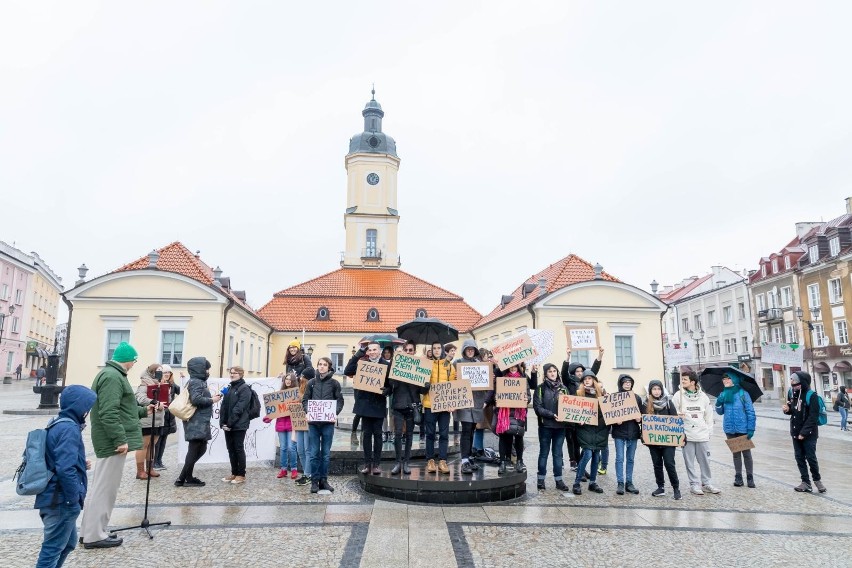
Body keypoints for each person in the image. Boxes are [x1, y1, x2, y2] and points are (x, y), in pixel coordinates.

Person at [80, 341, 153, 549]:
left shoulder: (111, 375)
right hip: (111, 442)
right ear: (128, 360)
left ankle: (89, 531)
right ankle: (95, 535)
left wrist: (143, 411)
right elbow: (108, 412)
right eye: (133, 361)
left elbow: (122, 409)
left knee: (99, 489)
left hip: (109, 440)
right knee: (105, 490)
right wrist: (120, 439)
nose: (133, 365)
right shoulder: (112, 377)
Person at [35, 385, 97, 568]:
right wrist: (74, 498)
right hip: (60, 499)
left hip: (56, 497)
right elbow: (64, 469)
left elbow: (57, 458)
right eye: (87, 406)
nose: (88, 411)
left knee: (68, 544)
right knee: (52, 549)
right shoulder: (69, 429)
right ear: (79, 407)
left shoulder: (58, 423)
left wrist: (79, 462)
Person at [175, 357, 222, 487]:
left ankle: (184, 477)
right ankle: (185, 478)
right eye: (206, 369)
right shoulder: (196, 382)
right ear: (200, 369)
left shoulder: (196, 381)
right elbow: (196, 400)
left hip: (200, 420)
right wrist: (212, 400)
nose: (208, 372)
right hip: (196, 421)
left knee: (201, 447)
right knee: (195, 448)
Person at [344, 342, 390, 475]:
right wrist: (358, 354)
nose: (373, 352)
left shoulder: (386, 365)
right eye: (370, 350)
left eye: (375, 349)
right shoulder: (361, 363)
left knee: (378, 434)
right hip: (364, 403)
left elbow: (391, 384)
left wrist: (386, 390)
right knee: (366, 434)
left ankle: (376, 464)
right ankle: (367, 463)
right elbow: (348, 371)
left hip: (378, 403)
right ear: (367, 352)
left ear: (380, 351)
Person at [673, 371, 720, 496]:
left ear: (692, 382)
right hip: (687, 434)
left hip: (702, 434)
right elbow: (671, 413)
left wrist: (709, 431)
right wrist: (678, 415)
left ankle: (706, 483)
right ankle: (694, 484)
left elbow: (709, 415)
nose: (682, 382)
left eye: (685, 380)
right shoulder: (678, 396)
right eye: (682, 380)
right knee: (689, 462)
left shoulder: (703, 397)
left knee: (705, 460)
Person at [303, 356, 344, 493]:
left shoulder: (334, 383)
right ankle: (314, 481)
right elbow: (305, 400)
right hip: (314, 423)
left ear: (329, 367)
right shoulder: (311, 383)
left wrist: (335, 413)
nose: (321, 366)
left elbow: (339, 400)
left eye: (324, 364)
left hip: (327, 424)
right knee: (314, 453)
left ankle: (324, 480)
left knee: (325, 454)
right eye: (319, 364)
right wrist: (308, 411)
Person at [388, 341, 429, 475]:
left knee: (410, 435)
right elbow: (391, 384)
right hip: (399, 405)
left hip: (412, 405)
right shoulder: (397, 365)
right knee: (398, 435)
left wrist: (426, 385)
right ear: (404, 351)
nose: (409, 352)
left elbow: (422, 391)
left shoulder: (418, 367)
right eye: (407, 350)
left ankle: (406, 462)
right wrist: (395, 368)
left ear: (414, 351)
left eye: (411, 350)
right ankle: (398, 462)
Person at [561, 347, 603, 471]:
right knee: (573, 442)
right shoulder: (569, 381)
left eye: (581, 371)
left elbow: (594, 371)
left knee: (584, 444)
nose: (580, 373)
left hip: (584, 418)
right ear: (573, 372)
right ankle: (578, 466)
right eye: (577, 371)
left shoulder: (585, 382)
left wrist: (599, 357)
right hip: (572, 417)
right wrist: (567, 357)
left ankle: (581, 466)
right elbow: (564, 372)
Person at [783, 371, 826, 493]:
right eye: (791, 380)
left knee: (811, 457)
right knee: (799, 457)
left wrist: (804, 433)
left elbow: (813, 416)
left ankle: (817, 480)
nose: (791, 382)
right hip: (795, 431)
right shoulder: (792, 392)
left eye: (794, 380)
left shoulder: (811, 395)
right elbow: (793, 410)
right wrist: (787, 410)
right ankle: (805, 482)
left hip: (809, 433)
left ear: (802, 381)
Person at [714, 371, 756, 488]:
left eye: (728, 379)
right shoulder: (723, 394)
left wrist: (751, 428)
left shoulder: (743, 394)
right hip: (729, 428)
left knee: (746, 453)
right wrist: (718, 403)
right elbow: (720, 412)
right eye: (724, 379)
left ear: (734, 380)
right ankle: (738, 477)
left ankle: (750, 477)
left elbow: (750, 412)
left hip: (742, 428)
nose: (725, 381)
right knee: (736, 454)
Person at [453, 340, 489, 474]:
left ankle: (469, 457)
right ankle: (464, 460)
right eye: (467, 349)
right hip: (464, 402)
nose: (470, 351)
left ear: (475, 351)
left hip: (477, 402)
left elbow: (487, 382)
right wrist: (454, 376)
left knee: (472, 429)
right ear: (464, 350)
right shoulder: (457, 363)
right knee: (466, 430)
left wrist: (490, 377)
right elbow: (451, 380)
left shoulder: (480, 365)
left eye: (472, 349)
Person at [643, 379, 682, 500]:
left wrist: (681, 436)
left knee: (670, 463)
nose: (656, 391)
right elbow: (644, 421)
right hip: (653, 441)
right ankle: (661, 487)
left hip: (668, 441)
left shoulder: (668, 403)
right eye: (654, 389)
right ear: (650, 390)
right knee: (657, 464)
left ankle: (676, 487)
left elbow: (675, 420)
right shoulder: (646, 404)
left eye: (658, 389)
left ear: (661, 390)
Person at [532, 363, 569, 491]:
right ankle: (541, 480)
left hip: (560, 427)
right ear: (545, 374)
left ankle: (559, 480)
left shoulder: (564, 389)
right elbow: (538, 408)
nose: (553, 373)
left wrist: (568, 416)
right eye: (550, 371)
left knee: (558, 454)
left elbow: (569, 406)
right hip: (545, 426)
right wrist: (552, 415)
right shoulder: (540, 388)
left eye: (554, 371)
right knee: (544, 453)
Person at [572, 371, 608, 494]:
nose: (587, 380)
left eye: (589, 378)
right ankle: (576, 483)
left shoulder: (601, 394)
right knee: (587, 453)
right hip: (585, 429)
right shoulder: (578, 394)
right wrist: (578, 420)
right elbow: (574, 411)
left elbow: (607, 412)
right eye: (585, 379)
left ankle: (592, 482)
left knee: (596, 456)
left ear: (594, 381)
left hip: (599, 429)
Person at [423, 341, 456, 474]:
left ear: (442, 350)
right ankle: (430, 460)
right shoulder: (427, 365)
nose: (436, 350)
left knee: (444, 434)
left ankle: (443, 460)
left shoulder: (449, 366)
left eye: (439, 348)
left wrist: (452, 403)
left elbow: (453, 385)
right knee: (430, 434)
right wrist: (424, 385)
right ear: (431, 350)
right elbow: (421, 384)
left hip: (444, 406)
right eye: (434, 348)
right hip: (429, 404)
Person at [490, 363, 529, 475]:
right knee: (503, 438)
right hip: (504, 414)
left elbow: (528, 396)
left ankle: (519, 461)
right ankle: (503, 462)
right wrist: (496, 398)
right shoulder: (501, 380)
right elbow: (495, 395)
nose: (513, 369)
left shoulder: (523, 380)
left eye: (515, 367)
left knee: (518, 438)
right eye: (511, 367)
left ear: (518, 368)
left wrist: (527, 399)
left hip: (518, 414)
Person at [610, 374, 642, 495]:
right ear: (621, 384)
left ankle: (629, 482)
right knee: (619, 458)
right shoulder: (615, 398)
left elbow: (642, 415)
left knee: (630, 459)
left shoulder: (637, 398)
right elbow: (610, 415)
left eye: (630, 382)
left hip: (633, 432)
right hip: (619, 433)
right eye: (625, 382)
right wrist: (615, 420)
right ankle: (620, 483)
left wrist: (639, 419)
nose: (628, 384)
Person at [220, 366, 252, 484]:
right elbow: (224, 406)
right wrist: (223, 422)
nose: (232, 375)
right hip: (228, 424)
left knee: (238, 448)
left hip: (239, 424)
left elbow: (240, 408)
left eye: (235, 373)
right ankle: (234, 472)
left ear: (241, 374)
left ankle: (241, 474)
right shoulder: (229, 388)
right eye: (231, 373)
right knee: (230, 449)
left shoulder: (245, 389)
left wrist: (230, 422)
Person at [265, 372, 299, 479]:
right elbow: (276, 409)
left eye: (290, 379)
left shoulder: (296, 395)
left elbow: (298, 410)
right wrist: (269, 417)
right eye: (286, 379)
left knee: (291, 447)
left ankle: (294, 469)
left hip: (291, 425)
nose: (288, 381)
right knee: (283, 448)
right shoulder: (279, 394)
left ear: (293, 381)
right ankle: (283, 469)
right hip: (281, 425)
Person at [134, 364, 165, 480]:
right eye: (158, 371)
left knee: (153, 445)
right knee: (144, 445)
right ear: (152, 372)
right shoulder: (145, 383)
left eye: (161, 372)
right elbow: (140, 398)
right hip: (147, 419)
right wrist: (154, 401)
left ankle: (150, 468)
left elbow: (166, 399)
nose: (160, 374)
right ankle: (140, 471)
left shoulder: (161, 383)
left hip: (158, 419)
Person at [153, 365, 179, 470]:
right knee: (157, 440)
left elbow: (182, 391)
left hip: (169, 416)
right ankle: (154, 462)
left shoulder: (172, 385)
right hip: (160, 415)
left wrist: (183, 379)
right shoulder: (157, 384)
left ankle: (159, 461)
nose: (167, 374)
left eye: (169, 372)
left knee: (163, 440)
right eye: (165, 372)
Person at [294, 368, 314, 486]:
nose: (301, 378)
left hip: (308, 421)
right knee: (300, 449)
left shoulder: (312, 388)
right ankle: (307, 473)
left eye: (303, 377)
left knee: (307, 449)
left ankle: (307, 474)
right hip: (299, 420)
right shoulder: (299, 389)